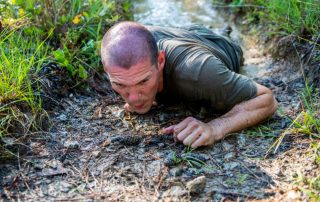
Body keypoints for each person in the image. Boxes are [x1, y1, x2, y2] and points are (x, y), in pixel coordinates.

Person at [101, 21, 278, 148]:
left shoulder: (198, 72)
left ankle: (225, 29)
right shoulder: (122, 62)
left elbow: (266, 99)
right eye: (121, 85)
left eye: (143, 81)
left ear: (160, 61)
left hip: (217, 43)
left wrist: (215, 128)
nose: (133, 98)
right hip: (177, 31)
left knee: (224, 38)